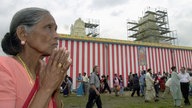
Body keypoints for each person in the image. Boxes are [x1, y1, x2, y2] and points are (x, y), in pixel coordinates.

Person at [0, 7, 72, 108]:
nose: (56, 35)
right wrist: (46, 88)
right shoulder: (4, 68)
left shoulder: (44, 72)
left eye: (55, 29)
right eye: (48, 27)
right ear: (22, 33)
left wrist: (55, 89)